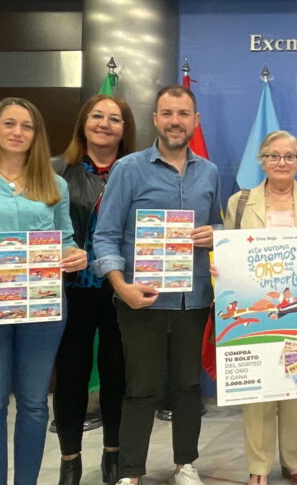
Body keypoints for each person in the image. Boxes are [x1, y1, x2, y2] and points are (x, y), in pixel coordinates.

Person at [92, 85, 221, 485]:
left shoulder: (210, 172)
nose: (175, 122)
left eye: (183, 114)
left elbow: (219, 225)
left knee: (187, 386)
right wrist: (121, 287)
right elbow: (105, 235)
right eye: (167, 113)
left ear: (195, 121)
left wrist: (215, 234)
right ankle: (131, 471)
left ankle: (186, 463)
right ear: (155, 119)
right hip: (140, 300)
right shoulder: (129, 169)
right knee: (141, 388)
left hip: (192, 299)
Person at [0, 97, 88, 485]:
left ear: (36, 134)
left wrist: (75, 255)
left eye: (27, 126)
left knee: (34, 402)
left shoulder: (55, 184)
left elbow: (65, 240)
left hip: (40, 300)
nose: (18, 132)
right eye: (9, 123)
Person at [223, 131, 297, 485]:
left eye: (289, 156)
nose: (281, 163)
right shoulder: (239, 202)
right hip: (257, 309)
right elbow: (229, 251)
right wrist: (221, 267)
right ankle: (258, 465)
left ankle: (295, 460)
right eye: (273, 156)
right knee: (257, 388)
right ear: (262, 160)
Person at [52, 94, 137, 485]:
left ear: (125, 129)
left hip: (121, 289)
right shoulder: (55, 170)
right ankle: (69, 460)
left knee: (118, 375)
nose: (105, 124)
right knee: (71, 376)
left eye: (114, 119)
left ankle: (113, 456)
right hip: (72, 290)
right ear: (83, 123)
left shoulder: (136, 171)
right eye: (97, 116)